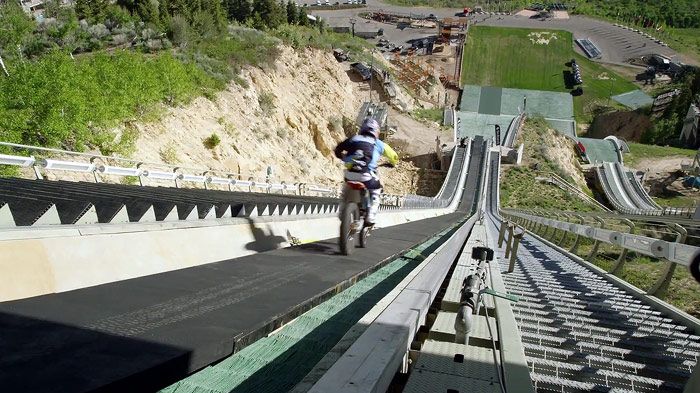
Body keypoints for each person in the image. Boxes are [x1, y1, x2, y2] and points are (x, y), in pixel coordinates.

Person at [334, 118, 399, 227]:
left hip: (350, 175)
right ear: (376, 132)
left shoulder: (354, 139)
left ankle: (342, 211)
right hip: (366, 175)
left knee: (345, 190)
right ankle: (371, 215)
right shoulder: (379, 144)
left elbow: (338, 150)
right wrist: (393, 163)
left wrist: (343, 157)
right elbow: (394, 156)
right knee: (376, 190)